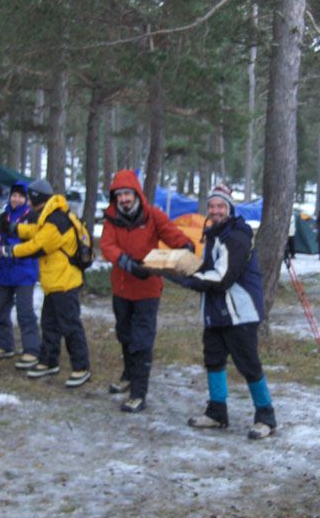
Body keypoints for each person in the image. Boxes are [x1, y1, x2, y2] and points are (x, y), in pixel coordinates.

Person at [175, 184, 277, 440]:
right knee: (214, 359)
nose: (215, 210)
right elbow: (210, 267)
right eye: (211, 206)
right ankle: (217, 412)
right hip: (216, 310)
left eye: (220, 206)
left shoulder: (238, 236)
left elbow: (223, 277)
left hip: (239, 311)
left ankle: (266, 417)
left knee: (248, 364)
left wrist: (187, 278)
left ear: (229, 209)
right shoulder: (214, 233)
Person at [100, 170, 193, 413]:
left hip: (147, 290)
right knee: (124, 334)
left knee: (141, 341)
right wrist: (126, 263)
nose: (124, 200)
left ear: (136, 194)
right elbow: (107, 245)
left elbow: (172, 234)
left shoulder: (153, 215)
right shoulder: (111, 218)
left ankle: (138, 392)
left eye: (127, 194)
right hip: (121, 286)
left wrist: (186, 245)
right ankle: (128, 375)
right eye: (119, 195)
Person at [1, 179, 91, 388]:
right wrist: (16, 229)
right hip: (54, 282)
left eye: (30, 197)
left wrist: (11, 250)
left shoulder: (57, 221)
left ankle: (81, 367)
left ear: (35, 199)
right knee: (49, 324)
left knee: (70, 326)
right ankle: (49, 361)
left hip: (65, 282)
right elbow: (36, 231)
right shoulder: (51, 215)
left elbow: (38, 244)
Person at [0, 181, 41, 367]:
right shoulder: (3, 217)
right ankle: (5, 344)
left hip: (25, 271)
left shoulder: (32, 217)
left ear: (26, 199)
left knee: (25, 312)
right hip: (4, 271)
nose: (16, 199)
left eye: (20, 196)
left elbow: (36, 241)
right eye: (13, 195)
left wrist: (9, 242)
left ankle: (32, 349)